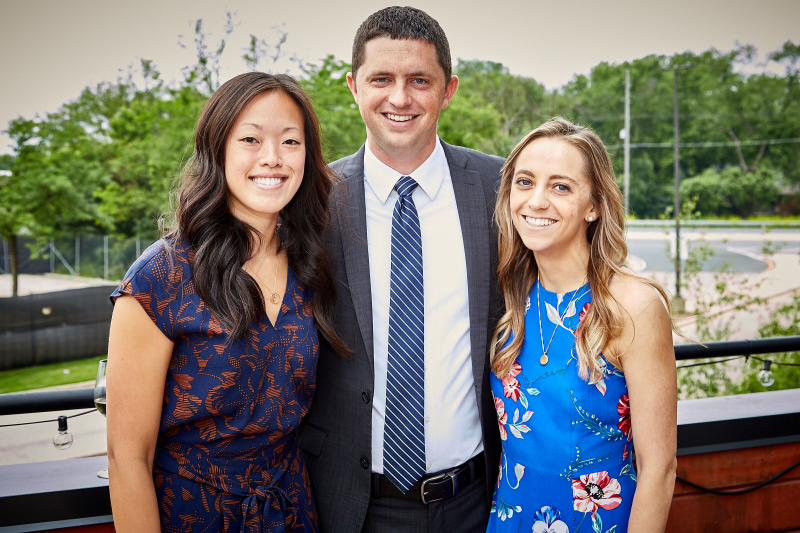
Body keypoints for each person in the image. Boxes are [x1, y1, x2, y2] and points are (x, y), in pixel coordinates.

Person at [105, 72, 347, 532]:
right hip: (194, 514)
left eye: (290, 142)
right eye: (250, 139)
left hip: (291, 510)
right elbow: (127, 456)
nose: (272, 158)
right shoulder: (162, 275)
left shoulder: (311, 262)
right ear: (217, 148)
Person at [297, 6, 503, 532]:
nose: (400, 98)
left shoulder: (501, 188)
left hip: (477, 499)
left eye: (420, 80)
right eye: (381, 79)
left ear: (448, 89)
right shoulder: (311, 200)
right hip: (350, 502)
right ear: (353, 86)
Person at [487, 117, 677, 533]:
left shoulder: (632, 305)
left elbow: (659, 468)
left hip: (597, 521)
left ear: (593, 205)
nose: (536, 201)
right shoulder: (512, 297)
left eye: (560, 187)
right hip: (512, 518)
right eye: (524, 182)